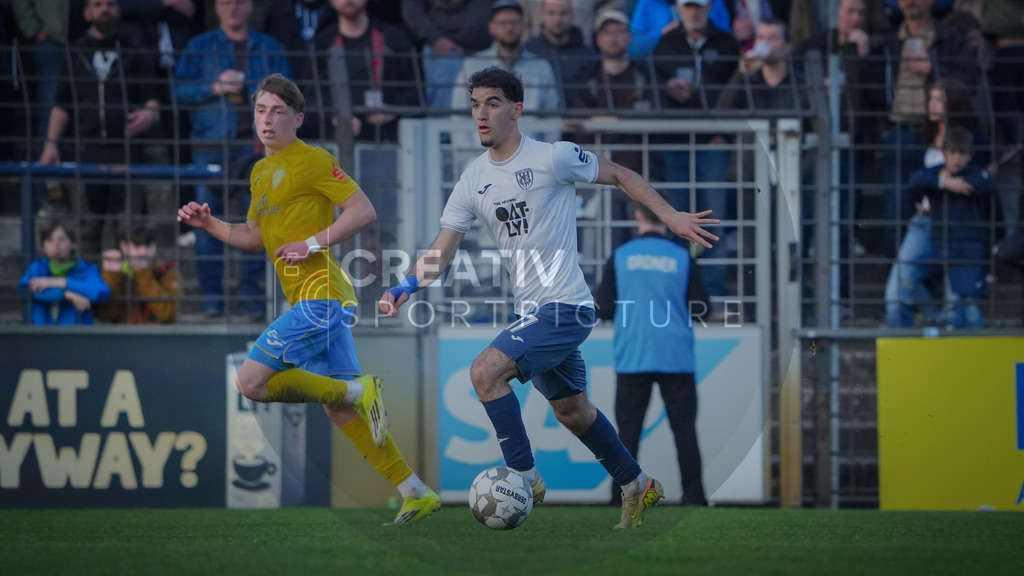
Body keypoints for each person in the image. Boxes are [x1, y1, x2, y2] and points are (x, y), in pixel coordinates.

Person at [377, 66, 718, 529]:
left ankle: (523, 477)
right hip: (532, 310)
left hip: (565, 306)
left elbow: (618, 174)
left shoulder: (553, 157)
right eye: (475, 103)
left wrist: (671, 215)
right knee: (572, 411)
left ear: (516, 109)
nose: (481, 114)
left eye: (492, 103)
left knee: (484, 372)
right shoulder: (472, 180)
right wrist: (403, 287)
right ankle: (637, 484)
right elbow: (439, 253)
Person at [177, 73, 441, 524]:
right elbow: (254, 235)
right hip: (314, 302)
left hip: (322, 297)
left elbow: (363, 211)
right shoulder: (259, 173)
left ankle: (361, 389)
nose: (268, 119)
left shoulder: (313, 160)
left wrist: (312, 243)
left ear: (297, 118)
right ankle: (414, 490)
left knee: (250, 383)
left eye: (278, 111)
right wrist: (211, 225)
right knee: (338, 410)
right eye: (261, 110)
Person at [174, 0, 292, 319]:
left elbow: (291, 96)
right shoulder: (199, 46)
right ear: (216, 7)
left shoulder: (270, 47)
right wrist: (215, 86)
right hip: (210, 148)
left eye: (240, 2)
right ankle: (213, 299)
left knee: (255, 223)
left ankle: (251, 299)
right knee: (205, 225)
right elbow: (177, 92)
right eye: (227, 2)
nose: (234, 8)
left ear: (251, 6)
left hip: (257, 150)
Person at [594, 198, 711, 507]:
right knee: (684, 431)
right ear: (665, 218)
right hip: (676, 357)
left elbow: (603, 309)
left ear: (636, 216)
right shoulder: (682, 257)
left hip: (633, 356)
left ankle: (619, 497)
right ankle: (695, 497)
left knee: (627, 435)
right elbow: (703, 308)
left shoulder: (620, 256)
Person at [38, 0, 163, 258]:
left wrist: (149, 114)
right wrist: (51, 144)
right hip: (86, 150)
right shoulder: (75, 51)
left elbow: (153, 99)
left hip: (127, 150)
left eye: (110, 4)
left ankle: (126, 294)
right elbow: (62, 103)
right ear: (87, 13)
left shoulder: (134, 50)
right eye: (97, 4)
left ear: (119, 10)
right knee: (86, 229)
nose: (105, 9)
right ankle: (88, 292)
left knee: (131, 229)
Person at [650, 0, 740, 298]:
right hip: (675, 141)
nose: (693, 11)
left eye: (698, 6)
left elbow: (737, 91)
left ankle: (711, 295)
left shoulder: (727, 44)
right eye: (688, 6)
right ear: (679, 8)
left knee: (715, 219)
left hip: (714, 142)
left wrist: (723, 133)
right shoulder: (666, 43)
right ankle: (679, 293)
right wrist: (669, 91)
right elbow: (653, 89)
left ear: (709, 7)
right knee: (677, 217)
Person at [878, 0, 979, 257]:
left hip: (937, 134)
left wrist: (931, 68)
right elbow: (872, 87)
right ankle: (900, 281)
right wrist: (882, 127)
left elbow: (970, 81)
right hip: (899, 131)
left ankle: (930, 286)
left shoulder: (949, 38)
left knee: (941, 213)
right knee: (896, 211)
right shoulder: (890, 42)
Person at [884, 125, 991, 328]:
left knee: (966, 304)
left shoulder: (976, 175)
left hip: (964, 248)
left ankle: (975, 342)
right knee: (905, 278)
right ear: (943, 154)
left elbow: (983, 181)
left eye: (962, 153)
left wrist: (951, 183)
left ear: (970, 155)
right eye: (951, 153)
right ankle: (935, 317)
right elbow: (915, 178)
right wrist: (945, 184)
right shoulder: (937, 175)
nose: (956, 158)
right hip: (938, 241)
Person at [585, 8, 654, 247]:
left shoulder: (645, 75)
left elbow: (653, 119)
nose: (613, 37)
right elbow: (580, 126)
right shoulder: (587, 77)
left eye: (619, 31)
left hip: (642, 172)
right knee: (605, 244)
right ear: (597, 40)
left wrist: (610, 122)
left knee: (644, 241)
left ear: (629, 37)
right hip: (600, 174)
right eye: (607, 32)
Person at [452, 0, 562, 143]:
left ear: (524, 26)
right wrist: (468, 158)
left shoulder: (541, 66)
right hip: (483, 154)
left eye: (514, 22)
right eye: (502, 23)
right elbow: (459, 116)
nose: (509, 28)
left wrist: (548, 157)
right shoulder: (471, 65)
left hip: (531, 154)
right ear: (491, 27)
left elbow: (552, 115)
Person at [313, 0, 419, 144]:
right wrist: (334, 115)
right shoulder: (322, 44)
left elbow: (415, 91)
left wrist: (392, 110)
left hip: (388, 140)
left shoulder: (393, 39)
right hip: (334, 142)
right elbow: (311, 94)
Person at [401, 0, 493, 110]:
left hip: (488, 52)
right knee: (444, 108)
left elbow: (507, 7)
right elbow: (412, 9)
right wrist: (435, 38)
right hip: (444, 51)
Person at [18, 219, 111, 325]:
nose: (56, 245)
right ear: (43, 245)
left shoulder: (87, 268)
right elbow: (26, 289)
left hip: (76, 336)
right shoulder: (38, 267)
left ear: (74, 243)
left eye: (61, 239)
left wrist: (62, 282)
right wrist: (67, 294)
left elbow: (101, 293)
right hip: (41, 335)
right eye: (49, 240)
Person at [95, 220, 180, 324]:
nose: (143, 252)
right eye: (137, 246)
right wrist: (112, 276)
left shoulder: (168, 271)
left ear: (156, 246)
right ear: (124, 247)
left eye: (148, 246)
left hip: (157, 337)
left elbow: (166, 313)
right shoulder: (115, 270)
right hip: (122, 337)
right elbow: (106, 315)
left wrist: (141, 272)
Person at [9, 0, 69, 148]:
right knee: (51, 102)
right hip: (51, 41)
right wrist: (33, 29)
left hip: (77, 37)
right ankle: (48, 161)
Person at [522, 0, 599, 109]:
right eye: (551, 13)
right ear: (541, 15)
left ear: (572, 15)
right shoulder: (527, 52)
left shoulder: (589, 55)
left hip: (580, 121)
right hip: (537, 121)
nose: (557, 19)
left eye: (563, 13)